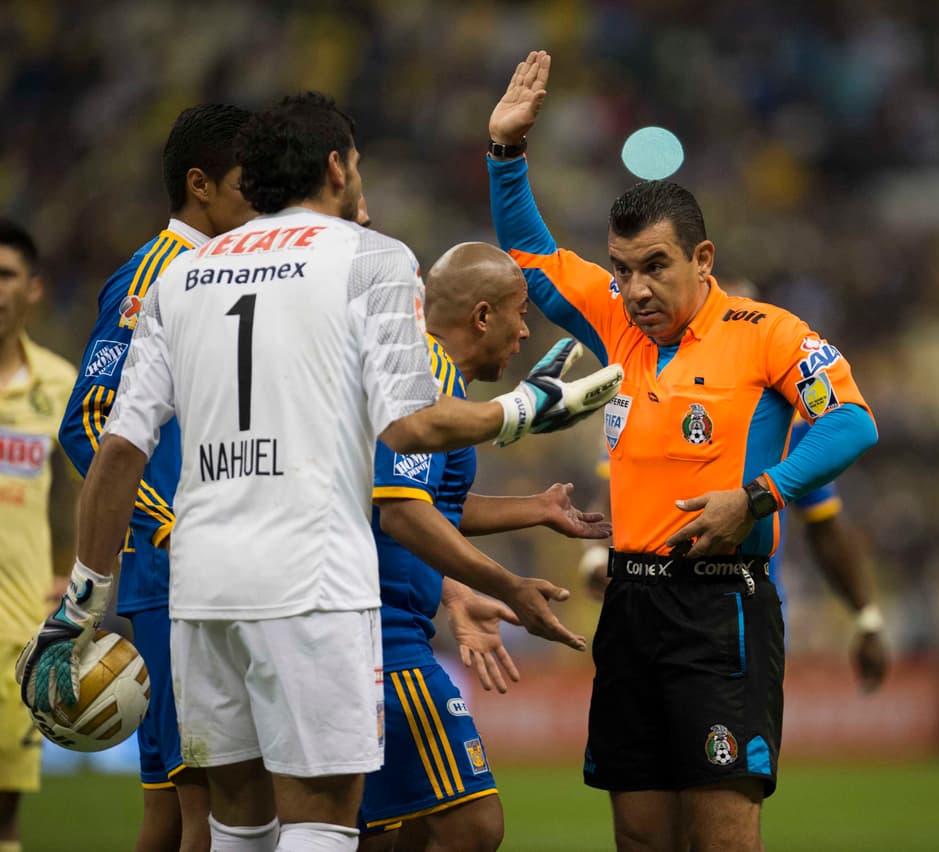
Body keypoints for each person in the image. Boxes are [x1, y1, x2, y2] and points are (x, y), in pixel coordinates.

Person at [17, 92, 621, 852]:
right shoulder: (370, 258)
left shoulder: (181, 275)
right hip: (311, 581)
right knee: (325, 820)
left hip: (202, 588)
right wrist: (532, 407)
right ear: (336, 166)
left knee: (237, 824)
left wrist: (82, 602)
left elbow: (114, 451)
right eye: (359, 163)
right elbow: (412, 425)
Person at [487, 52, 879, 851]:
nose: (634, 290)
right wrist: (505, 156)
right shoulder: (618, 325)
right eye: (623, 269)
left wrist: (758, 495)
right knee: (638, 837)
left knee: (722, 838)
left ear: (703, 261)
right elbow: (531, 260)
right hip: (631, 606)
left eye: (655, 267)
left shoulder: (768, 333)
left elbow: (852, 423)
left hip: (721, 608)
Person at [358, 242, 614, 852]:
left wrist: (537, 510)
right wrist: (507, 586)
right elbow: (401, 512)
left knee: (386, 832)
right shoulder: (422, 374)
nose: (526, 332)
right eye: (519, 314)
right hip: (380, 635)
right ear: (481, 316)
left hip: (378, 627)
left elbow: (429, 503)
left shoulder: (434, 378)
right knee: (472, 824)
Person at [58, 102, 255, 852]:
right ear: (200, 185)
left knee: (173, 809)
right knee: (210, 802)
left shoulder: (233, 272)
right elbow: (90, 419)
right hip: (178, 575)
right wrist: (166, 519)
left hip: (214, 568)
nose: (260, 199)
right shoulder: (153, 277)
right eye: (247, 183)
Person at [580, 275, 889, 692]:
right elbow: (614, 488)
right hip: (646, 607)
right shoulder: (645, 396)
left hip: (740, 611)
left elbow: (824, 525)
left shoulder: (791, 424)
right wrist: (597, 557)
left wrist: (865, 618)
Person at [0, 220, 77, 852]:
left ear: (34, 289)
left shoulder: (60, 385)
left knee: (4, 814)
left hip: (16, 631)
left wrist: (75, 573)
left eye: (5, 275)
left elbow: (85, 492)